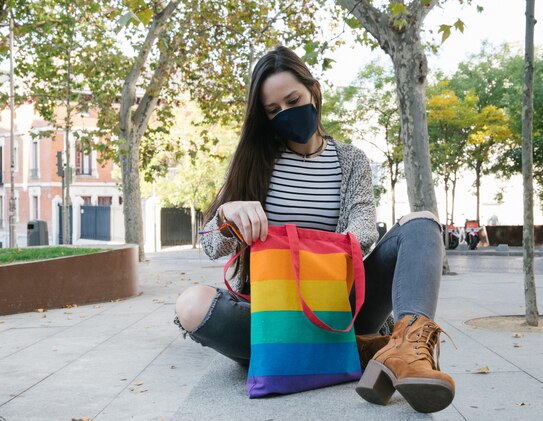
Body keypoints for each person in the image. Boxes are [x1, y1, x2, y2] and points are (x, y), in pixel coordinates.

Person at [174, 45, 454, 413]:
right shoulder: (254, 162)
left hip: (341, 304)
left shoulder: (350, 159)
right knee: (191, 305)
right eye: (274, 110)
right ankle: (364, 350)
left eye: (293, 100)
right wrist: (229, 215)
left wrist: (308, 248)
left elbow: (363, 229)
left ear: (314, 91)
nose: (287, 114)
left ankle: (408, 350)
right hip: (272, 316)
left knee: (421, 223)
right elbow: (210, 244)